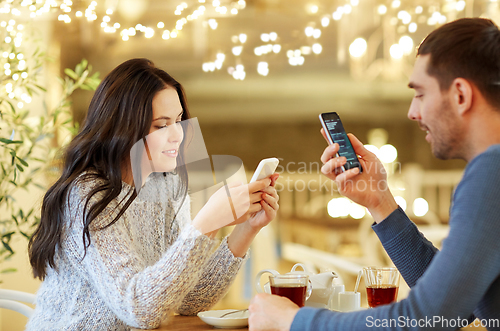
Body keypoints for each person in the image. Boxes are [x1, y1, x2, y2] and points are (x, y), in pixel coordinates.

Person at [248, 17, 500, 331]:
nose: (412, 111)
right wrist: (380, 201)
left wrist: (293, 321)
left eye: (420, 93)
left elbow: (425, 319)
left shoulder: (491, 172)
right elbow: (452, 309)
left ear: (460, 94)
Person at [27, 58, 279, 330]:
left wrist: (245, 230)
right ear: (123, 128)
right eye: (161, 125)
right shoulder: (88, 196)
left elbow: (191, 299)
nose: (178, 136)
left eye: (179, 121)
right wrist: (205, 223)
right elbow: (139, 309)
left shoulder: (164, 188)